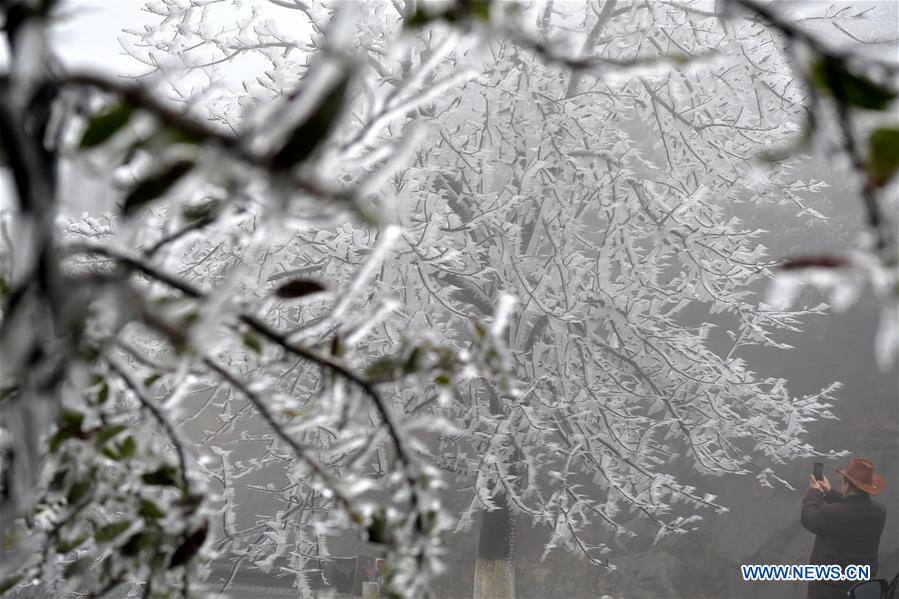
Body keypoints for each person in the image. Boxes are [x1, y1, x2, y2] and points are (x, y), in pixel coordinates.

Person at [801, 458, 887, 599]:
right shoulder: (880, 512)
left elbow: (808, 518)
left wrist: (814, 491)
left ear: (846, 485)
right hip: (860, 590)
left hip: (827, 592)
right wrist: (829, 493)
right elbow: (853, 509)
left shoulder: (830, 513)